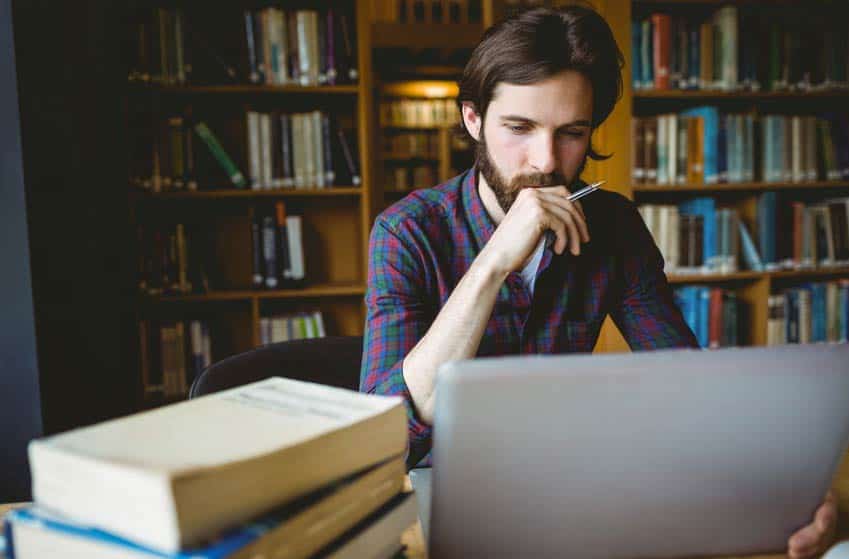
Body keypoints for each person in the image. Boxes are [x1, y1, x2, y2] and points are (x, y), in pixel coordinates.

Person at [359, 6, 836, 557]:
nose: (546, 160)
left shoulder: (613, 227)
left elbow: (683, 383)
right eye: (519, 128)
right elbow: (386, 437)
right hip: (436, 500)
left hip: (571, 493)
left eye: (572, 133)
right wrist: (492, 263)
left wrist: (791, 491)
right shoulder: (406, 231)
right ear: (473, 118)